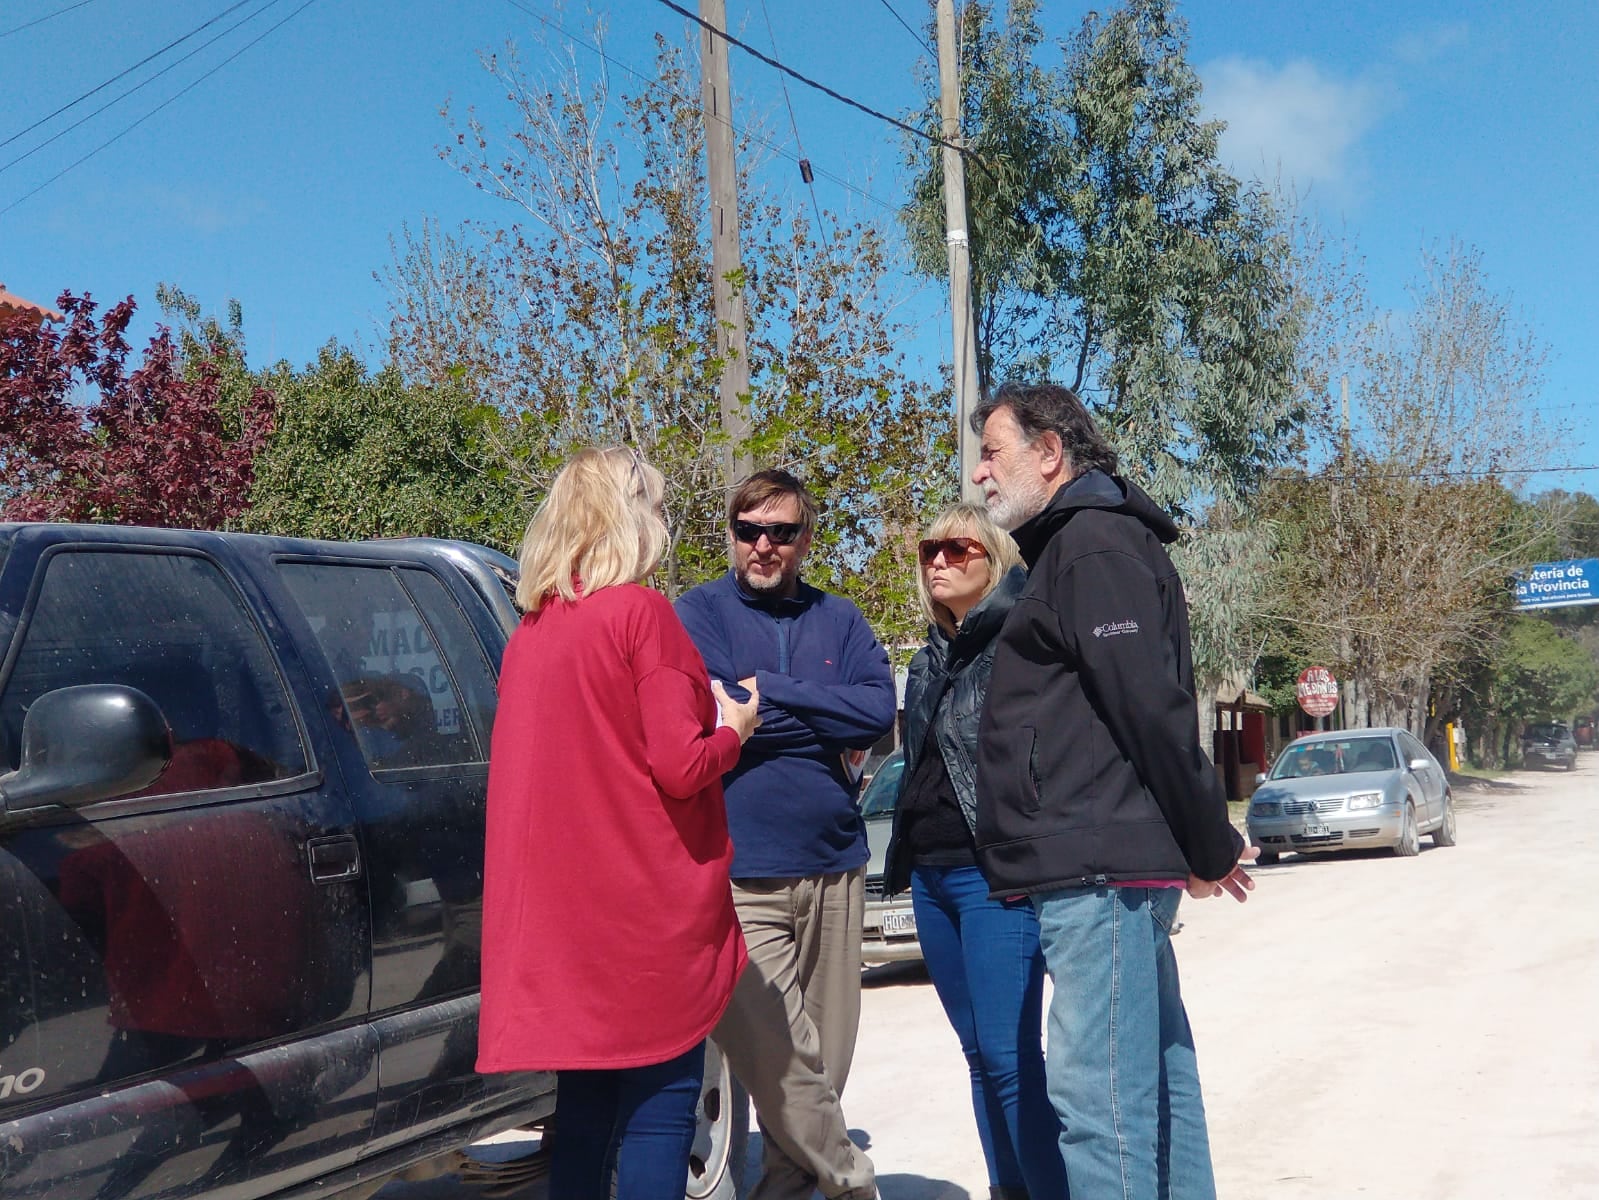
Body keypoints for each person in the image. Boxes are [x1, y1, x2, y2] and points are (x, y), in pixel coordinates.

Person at [969, 381, 1258, 1200]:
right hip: (1101, 868)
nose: (980, 474)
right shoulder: (1074, 547)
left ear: (1049, 454)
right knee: (1155, 1092)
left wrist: (1208, 840)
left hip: (1097, 873)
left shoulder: (1092, 546)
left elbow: (1150, 708)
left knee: (1102, 1112)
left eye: (993, 452)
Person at [477, 447, 761, 1200]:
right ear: (629, 518)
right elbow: (680, 765)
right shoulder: (641, 615)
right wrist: (735, 729)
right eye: (660, 507)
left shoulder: (530, 636)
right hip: (641, 918)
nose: (664, 523)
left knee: (584, 1114)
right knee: (658, 1113)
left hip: (560, 926)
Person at [676, 469, 895, 1200]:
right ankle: (854, 1184)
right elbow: (711, 718)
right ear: (730, 535)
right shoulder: (697, 614)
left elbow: (875, 719)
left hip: (834, 864)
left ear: (805, 538)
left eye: (780, 532)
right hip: (741, 871)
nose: (763, 546)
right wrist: (817, 718)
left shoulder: (841, 618)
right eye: (748, 531)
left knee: (822, 1068)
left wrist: (771, 693)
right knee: (780, 1060)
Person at [880, 502, 1067, 1200]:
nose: (937, 561)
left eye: (958, 550)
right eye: (930, 549)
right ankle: (1007, 1189)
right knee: (978, 1055)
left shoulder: (1019, 641)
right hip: (929, 876)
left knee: (1008, 1054)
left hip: (994, 874)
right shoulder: (927, 657)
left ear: (994, 559)